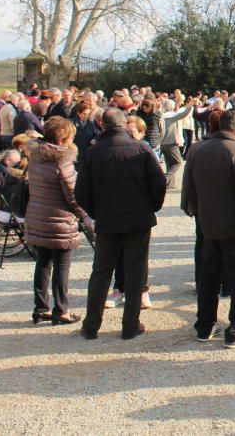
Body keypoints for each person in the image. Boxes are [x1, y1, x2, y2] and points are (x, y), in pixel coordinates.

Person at [77, 108, 166, 340]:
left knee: (101, 272)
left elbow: (81, 192)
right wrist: (150, 207)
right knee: (135, 272)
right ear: (124, 124)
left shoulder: (93, 153)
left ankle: (91, 325)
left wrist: (96, 212)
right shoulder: (141, 149)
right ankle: (130, 324)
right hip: (137, 219)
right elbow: (158, 183)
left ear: (102, 126)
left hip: (108, 219)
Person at [181, 109, 235, 348]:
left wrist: (196, 211)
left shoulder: (197, 149)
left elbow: (189, 188)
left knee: (208, 277)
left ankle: (204, 326)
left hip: (207, 224)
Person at [24, 117, 94, 326]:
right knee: (62, 267)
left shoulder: (36, 156)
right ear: (63, 138)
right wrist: (85, 216)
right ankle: (61, 310)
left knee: (43, 264)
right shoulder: (62, 160)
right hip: (59, 219)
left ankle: (41, 308)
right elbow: (73, 195)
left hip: (37, 215)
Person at [159, 99, 192, 189]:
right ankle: (164, 179)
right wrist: (189, 108)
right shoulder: (171, 116)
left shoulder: (161, 116)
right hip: (171, 142)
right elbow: (182, 115)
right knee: (177, 162)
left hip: (162, 143)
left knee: (169, 162)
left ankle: (170, 184)